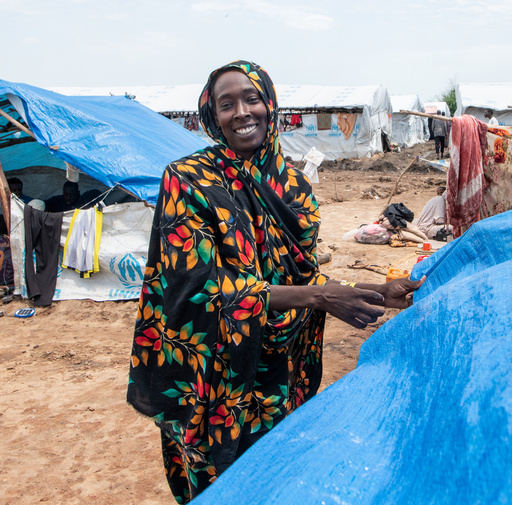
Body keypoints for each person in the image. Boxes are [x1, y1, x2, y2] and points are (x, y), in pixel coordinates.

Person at [127, 60, 424, 504]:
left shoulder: (294, 187)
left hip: (281, 369)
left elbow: (299, 276)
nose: (242, 112)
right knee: (222, 483)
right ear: (212, 116)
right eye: (226, 104)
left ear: (271, 105)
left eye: (252, 98)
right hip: (215, 368)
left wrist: (378, 291)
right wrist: (321, 296)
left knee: (280, 477)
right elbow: (195, 286)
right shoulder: (187, 180)